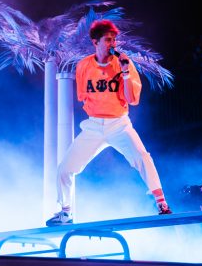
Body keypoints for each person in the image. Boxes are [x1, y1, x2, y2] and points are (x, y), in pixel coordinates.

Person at [46, 20, 171, 225]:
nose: (112, 44)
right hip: (94, 126)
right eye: (107, 40)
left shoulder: (124, 64)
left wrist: (125, 73)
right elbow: (82, 96)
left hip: (119, 124)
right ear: (95, 42)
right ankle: (65, 212)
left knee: (142, 157)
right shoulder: (84, 65)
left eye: (114, 40)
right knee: (65, 168)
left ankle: (162, 204)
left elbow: (132, 99)